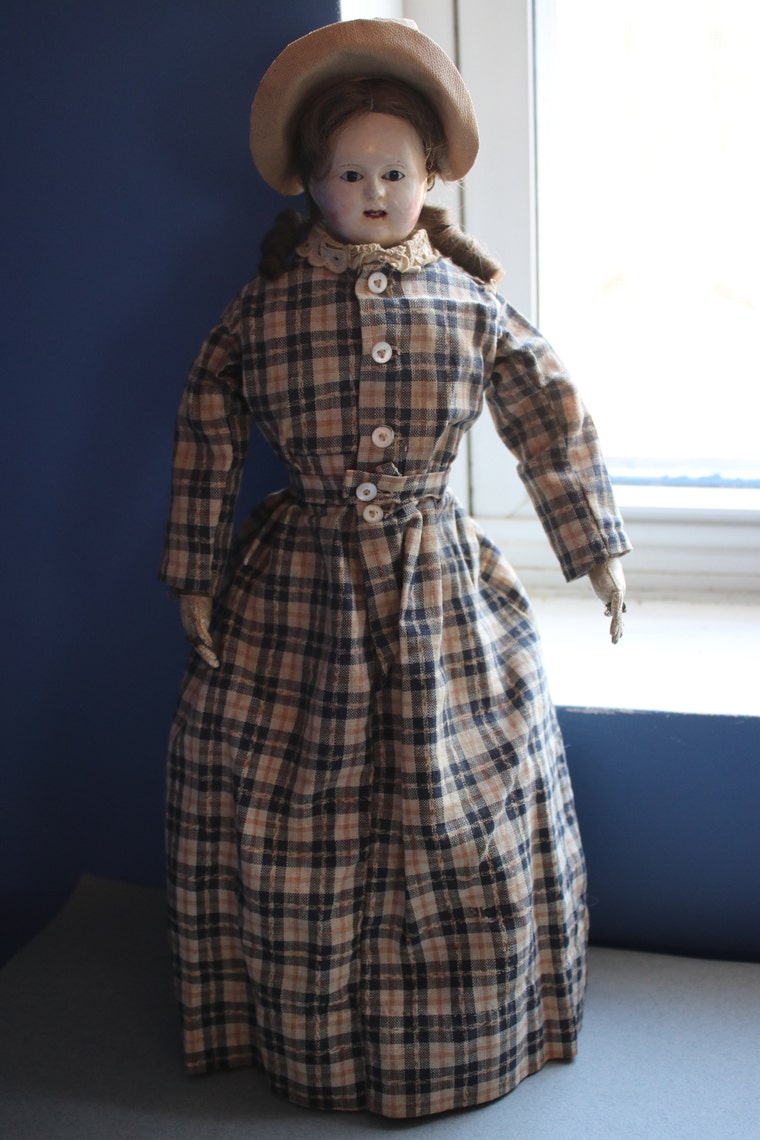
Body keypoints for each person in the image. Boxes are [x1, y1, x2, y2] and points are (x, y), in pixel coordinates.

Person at [159, 17, 631, 1119]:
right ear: (311, 184)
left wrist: (596, 550)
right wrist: (194, 570)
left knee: (465, 802)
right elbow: (205, 432)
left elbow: (548, 415)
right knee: (289, 804)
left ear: (430, 180)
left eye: (396, 173)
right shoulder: (265, 308)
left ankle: (479, 1031)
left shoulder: (469, 303)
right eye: (350, 174)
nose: (374, 192)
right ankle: (298, 1036)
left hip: (440, 589)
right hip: (298, 597)